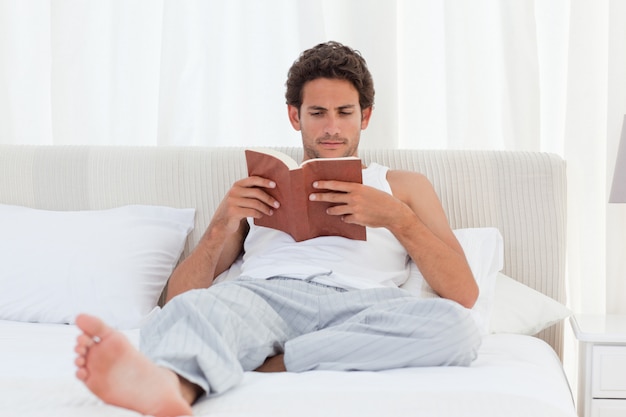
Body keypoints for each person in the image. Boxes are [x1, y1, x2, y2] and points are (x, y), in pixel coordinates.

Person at [74, 41, 481, 417]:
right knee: (188, 313)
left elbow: (463, 293)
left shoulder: (403, 185)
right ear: (295, 115)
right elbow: (179, 297)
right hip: (265, 298)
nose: (332, 128)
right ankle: (170, 392)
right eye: (317, 113)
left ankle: (276, 363)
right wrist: (221, 225)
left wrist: (396, 217)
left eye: (345, 112)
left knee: (458, 329)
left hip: (364, 305)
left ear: (366, 116)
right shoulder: (262, 181)